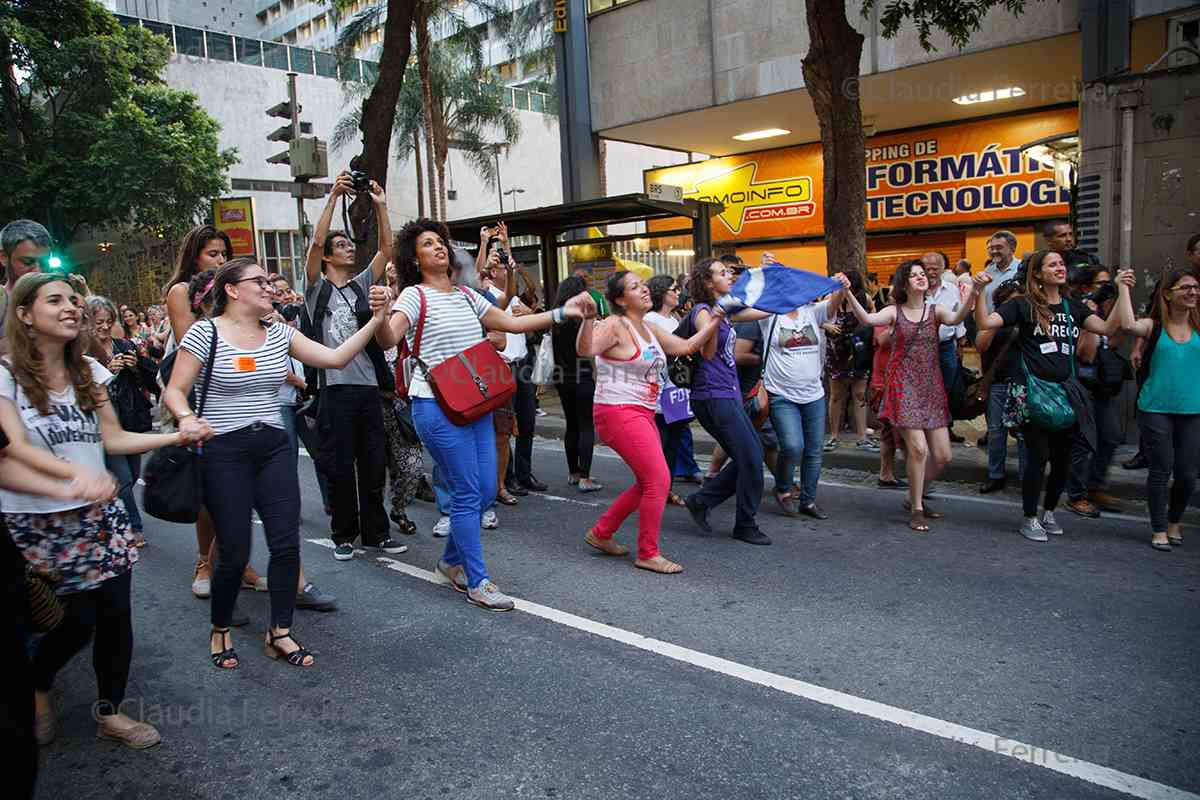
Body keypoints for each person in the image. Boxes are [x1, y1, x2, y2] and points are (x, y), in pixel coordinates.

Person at [0, 272, 212, 748]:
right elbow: (9, 447)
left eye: (73, 300)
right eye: (54, 301)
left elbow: (111, 439)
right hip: (35, 522)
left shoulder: (90, 374)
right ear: (23, 315)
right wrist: (71, 476)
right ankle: (36, 683)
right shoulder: (5, 374)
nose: (70, 307)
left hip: (99, 515)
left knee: (115, 616)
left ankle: (110, 712)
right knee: (73, 622)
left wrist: (176, 434)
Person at [164, 258, 390, 669]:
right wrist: (185, 418)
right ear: (231, 290)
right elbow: (175, 391)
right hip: (223, 451)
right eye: (260, 282)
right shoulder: (205, 332)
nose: (270, 287)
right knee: (234, 550)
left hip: (272, 448)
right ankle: (220, 629)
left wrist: (376, 320)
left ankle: (279, 633)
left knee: (286, 545)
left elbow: (336, 358)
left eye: (270, 282)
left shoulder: (280, 333)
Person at [376, 219, 592, 612]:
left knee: (487, 491)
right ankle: (477, 580)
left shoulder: (465, 294)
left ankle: (450, 562)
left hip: (474, 401)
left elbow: (512, 323)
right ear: (414, 257)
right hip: (435, 405)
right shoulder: (412, 296)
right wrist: (379, 316)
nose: (439, 248)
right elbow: (390, 338)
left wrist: (563, 312)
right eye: (428, 244)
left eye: (440, 242)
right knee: (466, 493)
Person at [973, 252, 1128, 542]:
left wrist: (1123, 292)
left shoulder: (1074, 307)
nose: (1059, 268)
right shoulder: (1022, 305)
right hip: (1033, 393)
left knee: (1062, 460)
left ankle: (1049, 512)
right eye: (1052, 265)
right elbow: (985, 323)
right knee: (1038, 457)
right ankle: (1030, 517)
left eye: (1061, 264)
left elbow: (1108, 328)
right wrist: (978, 292)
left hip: (1067, 392)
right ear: (1037, 274)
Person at [576, 271, 720, 573]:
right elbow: (585, 350)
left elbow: (686, 347)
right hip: (617, 411)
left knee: (647, 481)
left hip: (642, 411)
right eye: (634, 287)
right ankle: (648, 552)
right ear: (619, 299)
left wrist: (717, 316)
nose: (643, 290)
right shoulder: (615, 324)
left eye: (643, 285)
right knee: (659, 480)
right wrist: (588, 319)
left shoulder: (650, 326)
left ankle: (602, 533)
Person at [303, 171, 402, 562]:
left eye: (348, 244)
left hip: (366, 390)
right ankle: (343, 534)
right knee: (341, 468)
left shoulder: (361, 285)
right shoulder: (316, 288)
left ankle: (376, 534)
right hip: (333, 392)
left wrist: (380, 206)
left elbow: (387, 248)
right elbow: (313, 242)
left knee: (374, 466)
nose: (348, 249)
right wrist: (331, 198)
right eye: (340, 245)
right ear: (327, 257)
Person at [842, 261, 983, 531]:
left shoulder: (935, 310)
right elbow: (867, 320)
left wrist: (973, 293)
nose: (920, 277)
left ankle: (912, 495)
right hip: (903, 387)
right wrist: (848, 292)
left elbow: (955, 319)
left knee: (943, 456)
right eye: (913, 275)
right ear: (903, 283)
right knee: (918, 450)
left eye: (922, 274)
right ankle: (917, 507)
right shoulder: (894, 311)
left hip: (931, 388)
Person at [162, 225, 254, 598]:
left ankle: (238, 560)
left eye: (223, 254)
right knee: (207, 491)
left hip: (236, 393)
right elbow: (193, 342)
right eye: (212, 254)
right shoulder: (182, 292)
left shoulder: (233, 290)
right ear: (195, 256)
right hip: (197, 397)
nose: (220, 260)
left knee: (243, 485)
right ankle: (205, 559)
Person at [679, 258, 770, 545]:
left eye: (729, 271)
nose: (729, 275)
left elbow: (764, 310)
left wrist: (766, 275)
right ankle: (744, 524)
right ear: (708, 283)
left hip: (727, 394)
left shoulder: (726, 313)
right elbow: (707, 353)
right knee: (752, 457)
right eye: (722, 273)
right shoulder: (702, 312)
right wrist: (719, 313)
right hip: (712, 395)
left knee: (751, 454)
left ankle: (702, 501)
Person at [1115, 267, 1199, 551]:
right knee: (1161, 469)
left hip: (1193, 410)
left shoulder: (1199, 326)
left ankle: (1175, 521)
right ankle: (1160, 528)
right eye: (1185, 287)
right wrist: (1123, 287)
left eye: (1196, 288)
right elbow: (1127, 324)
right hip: (1155, 408)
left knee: (1187, 474)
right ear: (1167, 294)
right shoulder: (1154, 326)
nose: (1192, 292)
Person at [761, 284, 848, 519]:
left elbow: (834, 303)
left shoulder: (812, 310)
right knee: (792, 446)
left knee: (814, 450)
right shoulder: (770, 314)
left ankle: (808, 501)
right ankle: (783, 488)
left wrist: (841, 286)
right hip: (781, 394)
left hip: (813, 394)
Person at [85, 297, 156, 548]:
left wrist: (136, 365)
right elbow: (85, 388)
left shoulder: (123, 344)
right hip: (103, 424)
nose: (104, 327)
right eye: (98, 322)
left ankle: (110, 518)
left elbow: (150, 380)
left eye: (108, 321)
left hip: (129, 420)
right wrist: (108, 369)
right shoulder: (83, 352)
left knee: (134, 474)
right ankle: (133, 529)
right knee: (124, 479)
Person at [1063, 267, 1126, 517]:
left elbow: (1115, 341)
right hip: (1081, 382)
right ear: (1087, 287)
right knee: (1084, 440)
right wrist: (1089, 322)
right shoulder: (1076, 309)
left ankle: (1096, 486)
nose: (1107, 289)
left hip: (1102, 385)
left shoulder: (1106, 310)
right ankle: (1076, 494)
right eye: (1102, 284)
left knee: (1110, 436)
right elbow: (1086, 353)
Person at [379, 263, 424, 535]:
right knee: (372, 470)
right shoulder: (367, 331)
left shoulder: (408, 332)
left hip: (401, 404)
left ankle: (398, 508)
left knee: (413, 465)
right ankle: (370, 521)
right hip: (371, 404)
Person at [975, 278, 1028, 494]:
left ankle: (1028, 478)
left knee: (1024, 435)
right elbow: (980, 345)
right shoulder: (993, 321)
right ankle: (995, 475)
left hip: (1023, 384)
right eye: (1011, 302)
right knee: (996, 432)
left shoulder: (1029, 319)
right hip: (997, 383)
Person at [552, 276, 601, 492]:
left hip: (562, 377)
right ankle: (586, 477)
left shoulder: (556, 317)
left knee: (571, 425)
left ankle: (573, 473)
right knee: (585, 424)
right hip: (582, 375)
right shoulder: (584, 318)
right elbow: (590, 352)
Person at [823, 270, 876, 453]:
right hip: (837, 349)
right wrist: (827, 325)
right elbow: (816, 316)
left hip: (858, 350)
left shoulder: (864, 299)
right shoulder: (830, 298)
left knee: (859, 393)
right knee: (837, 394)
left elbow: (873, 319)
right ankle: (834, 436)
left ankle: (862, 436)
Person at [0, 220, 51, 356]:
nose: (38, 270)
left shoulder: (64, 302)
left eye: (44, 263)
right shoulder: (2, 300)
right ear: (4, 257)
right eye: (28, 262)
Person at [982, 231, 1022, 312]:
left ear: (1012, 248)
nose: (994, 251)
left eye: (999, 247)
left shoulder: (1022, 269)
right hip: (989, 321)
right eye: (992, 248)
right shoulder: (988, 270)